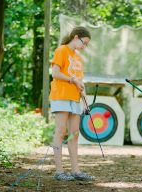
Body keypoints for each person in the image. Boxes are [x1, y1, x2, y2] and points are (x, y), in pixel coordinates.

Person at [49, 26, 93, 181]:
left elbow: (80, 82)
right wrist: (72, 79)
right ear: (75, 37)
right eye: (83, 42)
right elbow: (55, 73)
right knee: (61, 132)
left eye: (86, 44)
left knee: (74, 134)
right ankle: (59, 171)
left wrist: (85, 101)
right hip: (61, 96)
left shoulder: (79, 57)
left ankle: (76, 171)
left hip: (75, 98)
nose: (84, 46)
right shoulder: (61, 50)